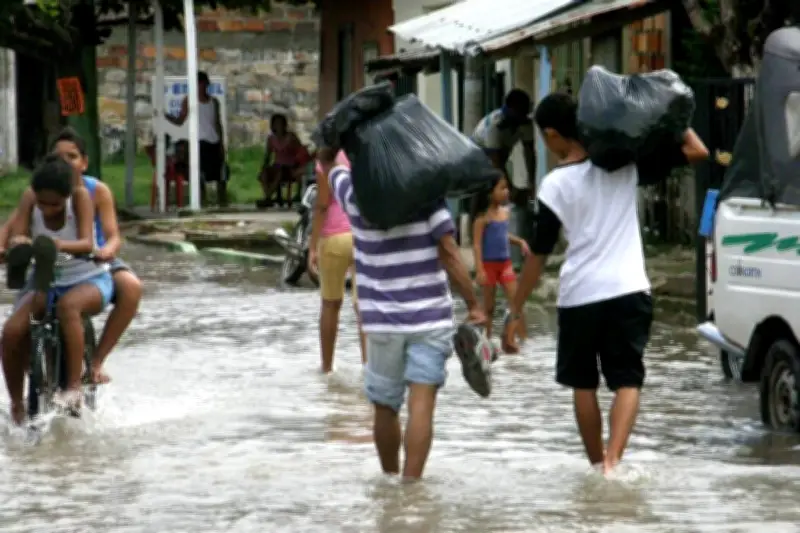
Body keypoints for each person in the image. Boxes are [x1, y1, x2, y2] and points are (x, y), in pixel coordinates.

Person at [502, 93, 709, 476]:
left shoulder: (554, 185)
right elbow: (697, 150)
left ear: (552, 135)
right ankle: (614, 462)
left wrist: (515, 309)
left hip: (580, 296)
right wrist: (673, 112)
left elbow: (538, 256)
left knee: (584, 385)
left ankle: (597, 464)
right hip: (629, 290)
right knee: (627, 380)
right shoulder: (623, 165)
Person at [317, 147, 486, 480]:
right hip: (429, 317)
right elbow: (449, 252)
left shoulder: (354, 194)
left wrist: (335, 143)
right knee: (421, 405)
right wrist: (474, 304)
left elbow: (328, 163)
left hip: (381, 321)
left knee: (385, 405)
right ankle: (411, 487)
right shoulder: (426, 195)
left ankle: (390, 481)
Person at [0, 127, 143, 384]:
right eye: (59, 157)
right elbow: (12, 227)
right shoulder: (38, 192)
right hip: (49, 262)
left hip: (92, 259)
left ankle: (96, 362)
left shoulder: (94, 191)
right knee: (17, 327)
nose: (66, 163)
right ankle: (22, 393)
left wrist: (106, 252)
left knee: (130, 287)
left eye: (72, 156)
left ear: (84, 162)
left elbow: (111, 235)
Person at [2, 155, 115, 423]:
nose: (48, 209)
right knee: (11, 332)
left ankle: (73, 388)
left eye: (54, 204)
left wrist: (57, 245)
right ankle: (17, 405)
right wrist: (17, 245)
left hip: (87, 278)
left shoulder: (80, 198)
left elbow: (87, 243)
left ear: (66, 196)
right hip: (45, 280)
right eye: (42, 203)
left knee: (68, 307)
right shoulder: (29, 198)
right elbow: (18, 233)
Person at [307, 150, 366, 372]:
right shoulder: (362, 152)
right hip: (362, 235)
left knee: (330, 304)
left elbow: (322, 205)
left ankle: (327, 368)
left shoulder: (327, 157)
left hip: (333, 237)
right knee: (364, 306)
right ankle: (369, 370)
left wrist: (312, 246)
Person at [471, 89, 537, 243]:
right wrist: (510, 188)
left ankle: (500, 239)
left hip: (501, 153)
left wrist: (531, 183)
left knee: (505, 196)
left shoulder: (525, 123)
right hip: (478, 157)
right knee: (482, 195)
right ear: (512, 109)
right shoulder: (494, 125)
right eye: (521, 111)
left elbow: (530, 154)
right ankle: (476, 239)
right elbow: (495, 162)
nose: (524, 115)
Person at [471, 173, 529, 344]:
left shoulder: (505, 213)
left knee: (516, 303)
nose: (506, 192)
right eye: (502, 188)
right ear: (490, 192)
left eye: (507, 188)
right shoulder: (482, 218)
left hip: (505, 265)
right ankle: (486, 343)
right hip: (488, 267)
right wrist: (479, 269)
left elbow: (503, 236)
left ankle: (524, 342)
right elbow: (476, 245)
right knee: (489, 308)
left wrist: (519, 241)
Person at [164, 70, 227, 206]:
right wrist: (165, 116)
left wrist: (222, 143)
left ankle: (222, 201)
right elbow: (180, 120)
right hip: (199, 142)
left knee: (220, 173)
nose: (202, 87)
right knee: (199, 173)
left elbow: (217, 123)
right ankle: (201, 201)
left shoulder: (214, 102)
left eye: (204, 84)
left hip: (214, 141)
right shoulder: (189, 100)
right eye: (200, 84)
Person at [256, 114, 309, 209]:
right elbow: (268, 155)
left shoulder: (291, 137)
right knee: (265, 173)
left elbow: (301, 152)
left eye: (280, 123)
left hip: (289, 166)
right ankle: (267, 196)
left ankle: (268, 198)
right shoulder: (271, 139)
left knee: (280, 173)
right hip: (276, 165)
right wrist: (264, 166)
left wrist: (298, 164)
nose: (278, 126)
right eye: (276, 124)